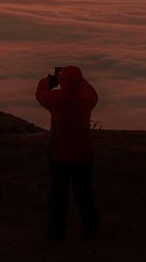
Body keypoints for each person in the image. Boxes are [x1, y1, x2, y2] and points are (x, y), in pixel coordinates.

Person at [35, 65, 99, 241]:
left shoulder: (55, 99)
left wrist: (50, 80)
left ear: (62, 83)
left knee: (58, 196)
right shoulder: (87, 99)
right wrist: (78, 80)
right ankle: (90, 229)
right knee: (85, 194)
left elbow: (40, 92)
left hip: (59, 155)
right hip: (83, 155)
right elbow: (91, 91)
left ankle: (56, 234)